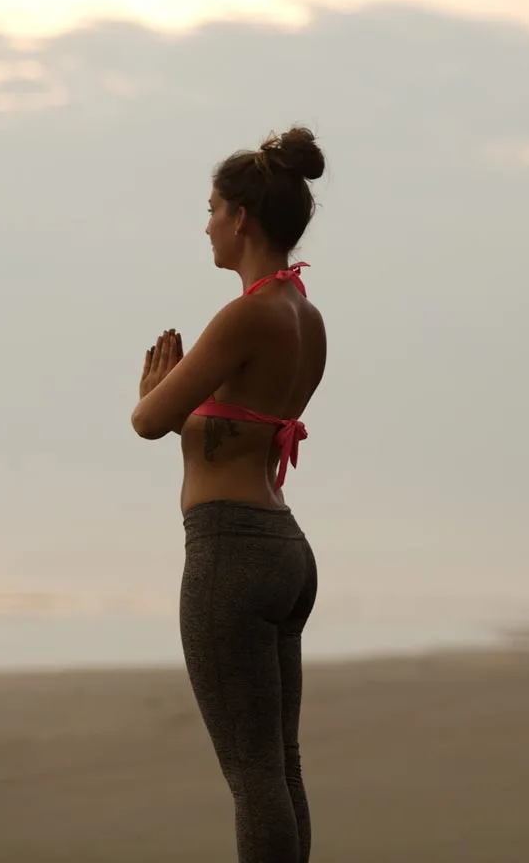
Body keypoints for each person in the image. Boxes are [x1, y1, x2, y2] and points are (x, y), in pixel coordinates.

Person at [130, 126, 328, 863]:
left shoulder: (247, 313)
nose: (206, 222)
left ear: (242, 218)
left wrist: (157, 393)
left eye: (212, 207)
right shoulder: (306, 318)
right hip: (285, 550)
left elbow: (150, 421)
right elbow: (241, 424)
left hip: (229, 553)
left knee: (252, 776)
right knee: (280, 766)